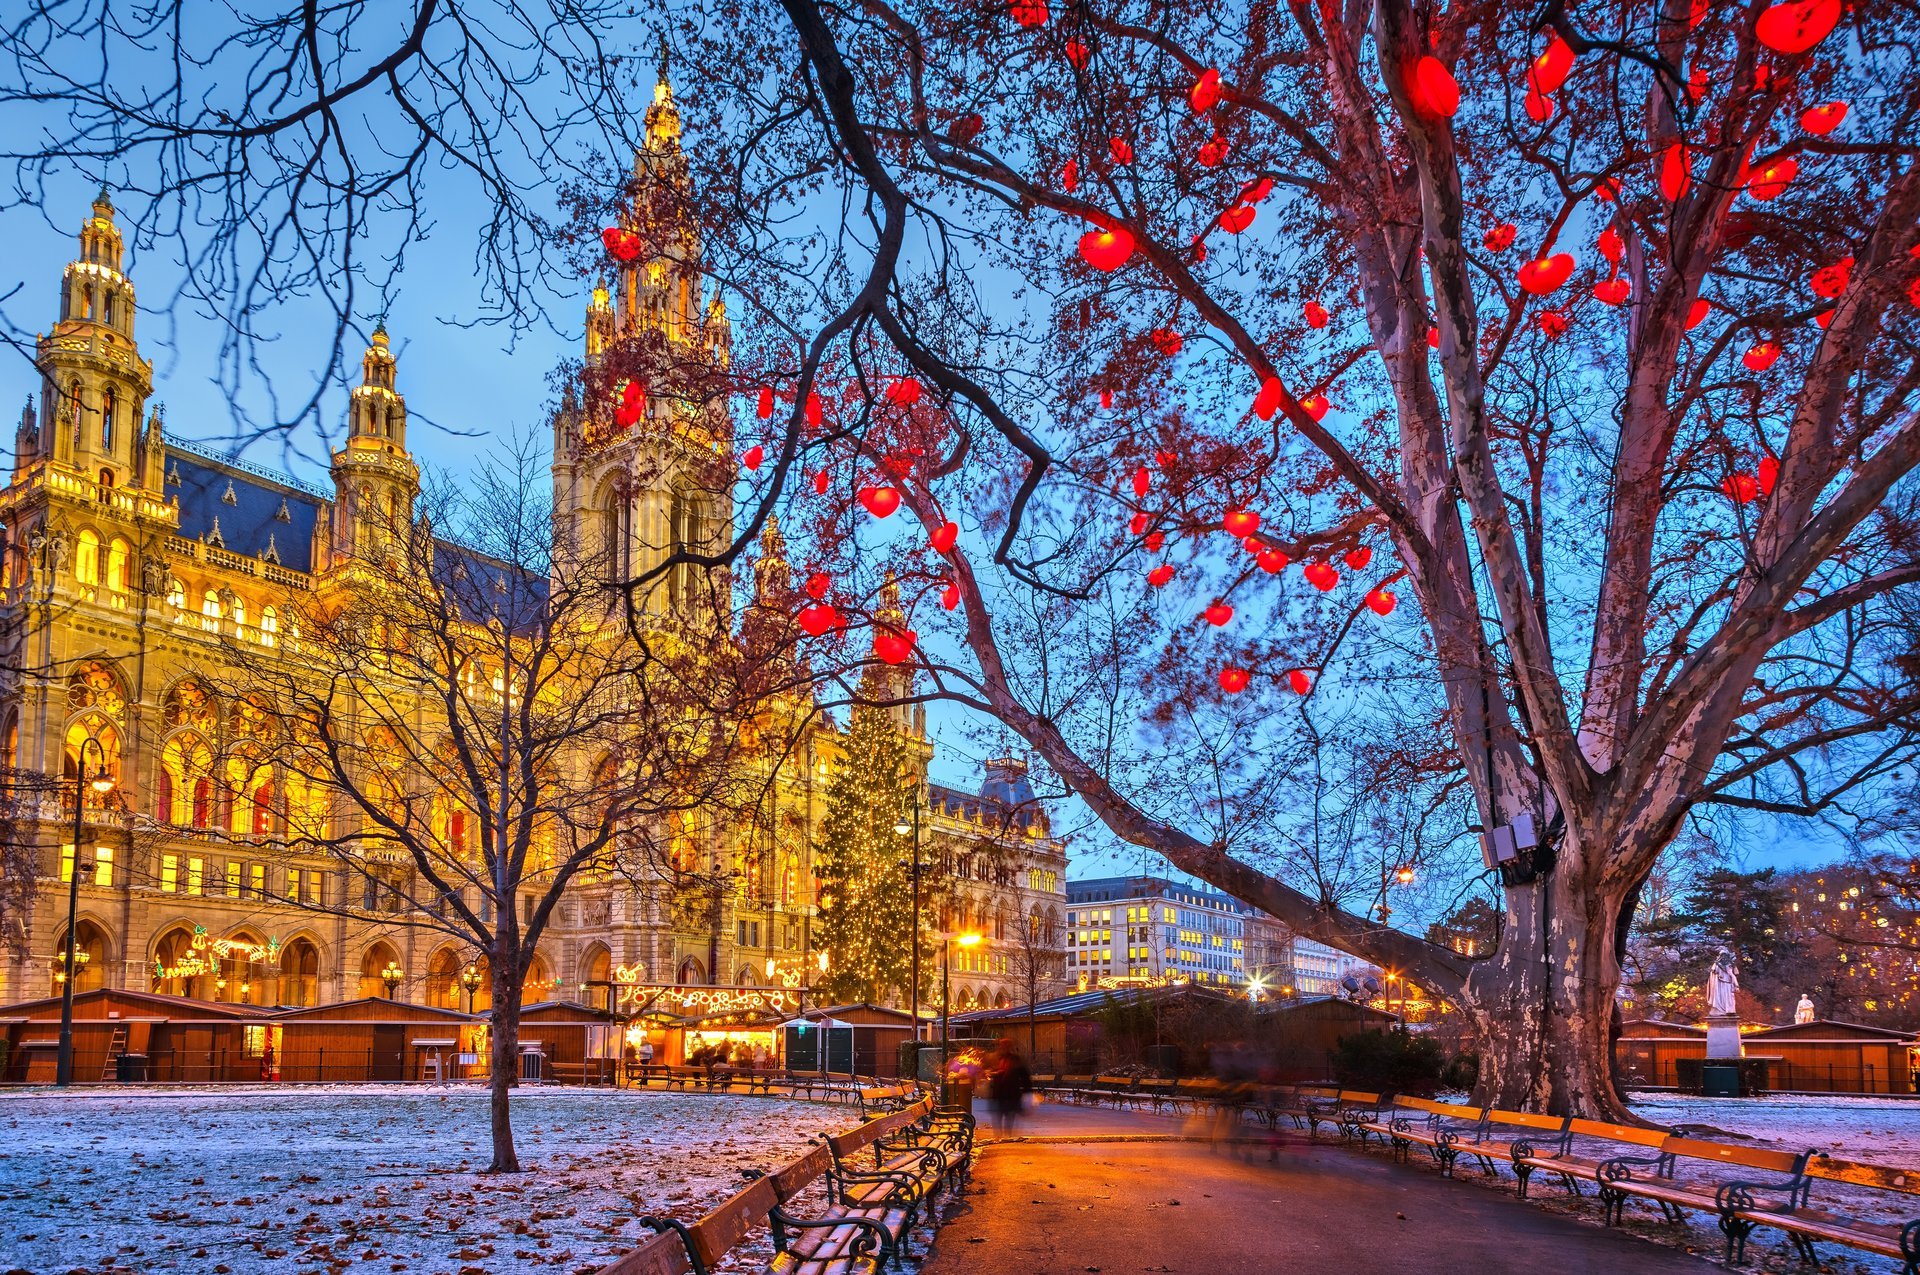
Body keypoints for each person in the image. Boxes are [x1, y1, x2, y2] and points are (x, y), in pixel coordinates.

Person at [985, 1037, 1031, 1137]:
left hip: (1011, 1092)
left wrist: (1027, 1091)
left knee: (1009, 1114)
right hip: (999, 1093)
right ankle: (999, 1135)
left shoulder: (1015, 1059)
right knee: (999, 1114)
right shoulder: (995, 1058)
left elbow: (1024, 1076)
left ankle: (1007, 1135)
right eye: (1002, 1045)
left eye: (1006, 1045)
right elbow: (987, 1070)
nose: (1003, 1047)